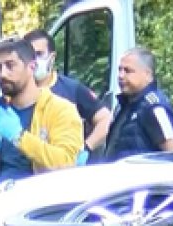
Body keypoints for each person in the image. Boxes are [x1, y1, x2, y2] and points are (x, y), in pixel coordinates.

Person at [0, 38, 82, 195]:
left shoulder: (61, 110)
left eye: (10, 65)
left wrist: (19, 137)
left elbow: (67, 165)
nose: (3, 74)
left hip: (42, 209)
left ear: (31, 67)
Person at [22, 29, 111, 164]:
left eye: (39, 54)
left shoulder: (71, 89)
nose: (34, 60)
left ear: (52, 58)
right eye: (30, 55)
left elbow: (105, 119)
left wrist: (86, 148)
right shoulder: (18, 92)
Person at [98, 47, 173, 162]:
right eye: (120, 70)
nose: (121, 75)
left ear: (147, 74)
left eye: (128, 71)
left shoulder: (155, 108)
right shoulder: (123, 106)